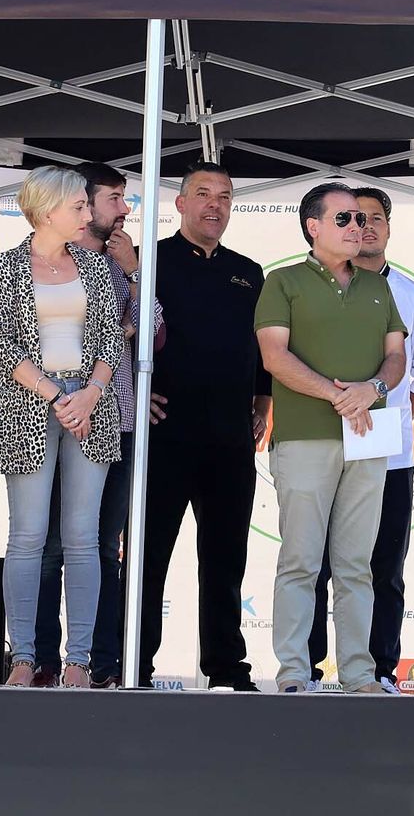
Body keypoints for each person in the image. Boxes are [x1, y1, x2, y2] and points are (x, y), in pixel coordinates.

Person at [256, 182, 407, 694]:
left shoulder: (379, 287)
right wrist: (338, 395)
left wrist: (373, 388)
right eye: (343, 219)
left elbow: (397, 357)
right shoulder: (283, 282)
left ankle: (360, 674)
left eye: (361, 219)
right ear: (313, 228)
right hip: (303, 439)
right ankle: (295, 672)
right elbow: (274, 356)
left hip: (368, 438)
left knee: (356, 565)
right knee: (300, 560)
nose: (357, 227)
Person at [0, 165, 122, 688]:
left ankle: (78, 662)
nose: (89, 215)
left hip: (91, 407)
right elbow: (3, 340)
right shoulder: (6, 267)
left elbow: (111, 339)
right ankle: (22, 656)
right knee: (28, 537)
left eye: (88, 207)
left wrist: (88, 394)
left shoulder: (94, 267)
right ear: (47, 211)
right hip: (27, 408)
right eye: (79, 208)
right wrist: (58, 395)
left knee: (84, 539)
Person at [138, 161, 272, 691]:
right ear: (180, 204)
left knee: (225, 560)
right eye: (203, 194)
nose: (214, 205)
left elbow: (262, 347)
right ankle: (135, 662)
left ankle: (226, 667)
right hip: (165, 433)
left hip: (230, 438)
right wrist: (132, 390)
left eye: (224, 196)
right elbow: (121, 333)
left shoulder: (249, 271)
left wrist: (264, 399)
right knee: (149, 559)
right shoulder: (151, 263)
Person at [307, 187, 414, 693]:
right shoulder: (309, 289)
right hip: (320, 447)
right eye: (351, 217)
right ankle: (311, 667)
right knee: (318, 563)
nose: (363, 226)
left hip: (388, 453)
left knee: (383, 567)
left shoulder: (412, 298)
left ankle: (381, 669)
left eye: (374, 219)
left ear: (388, 228)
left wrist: (378, 417)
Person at [31, 162, 164, 688]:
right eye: (113, 199)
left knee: (103, 546)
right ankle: (38, 659)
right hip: (48, 420)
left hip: (116, 422)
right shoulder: (42, 264)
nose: (124, 210)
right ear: (78, 205)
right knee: (45, 545)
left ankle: (98, 664)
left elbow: (151, 333)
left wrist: (133, 270)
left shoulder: (119, 264)